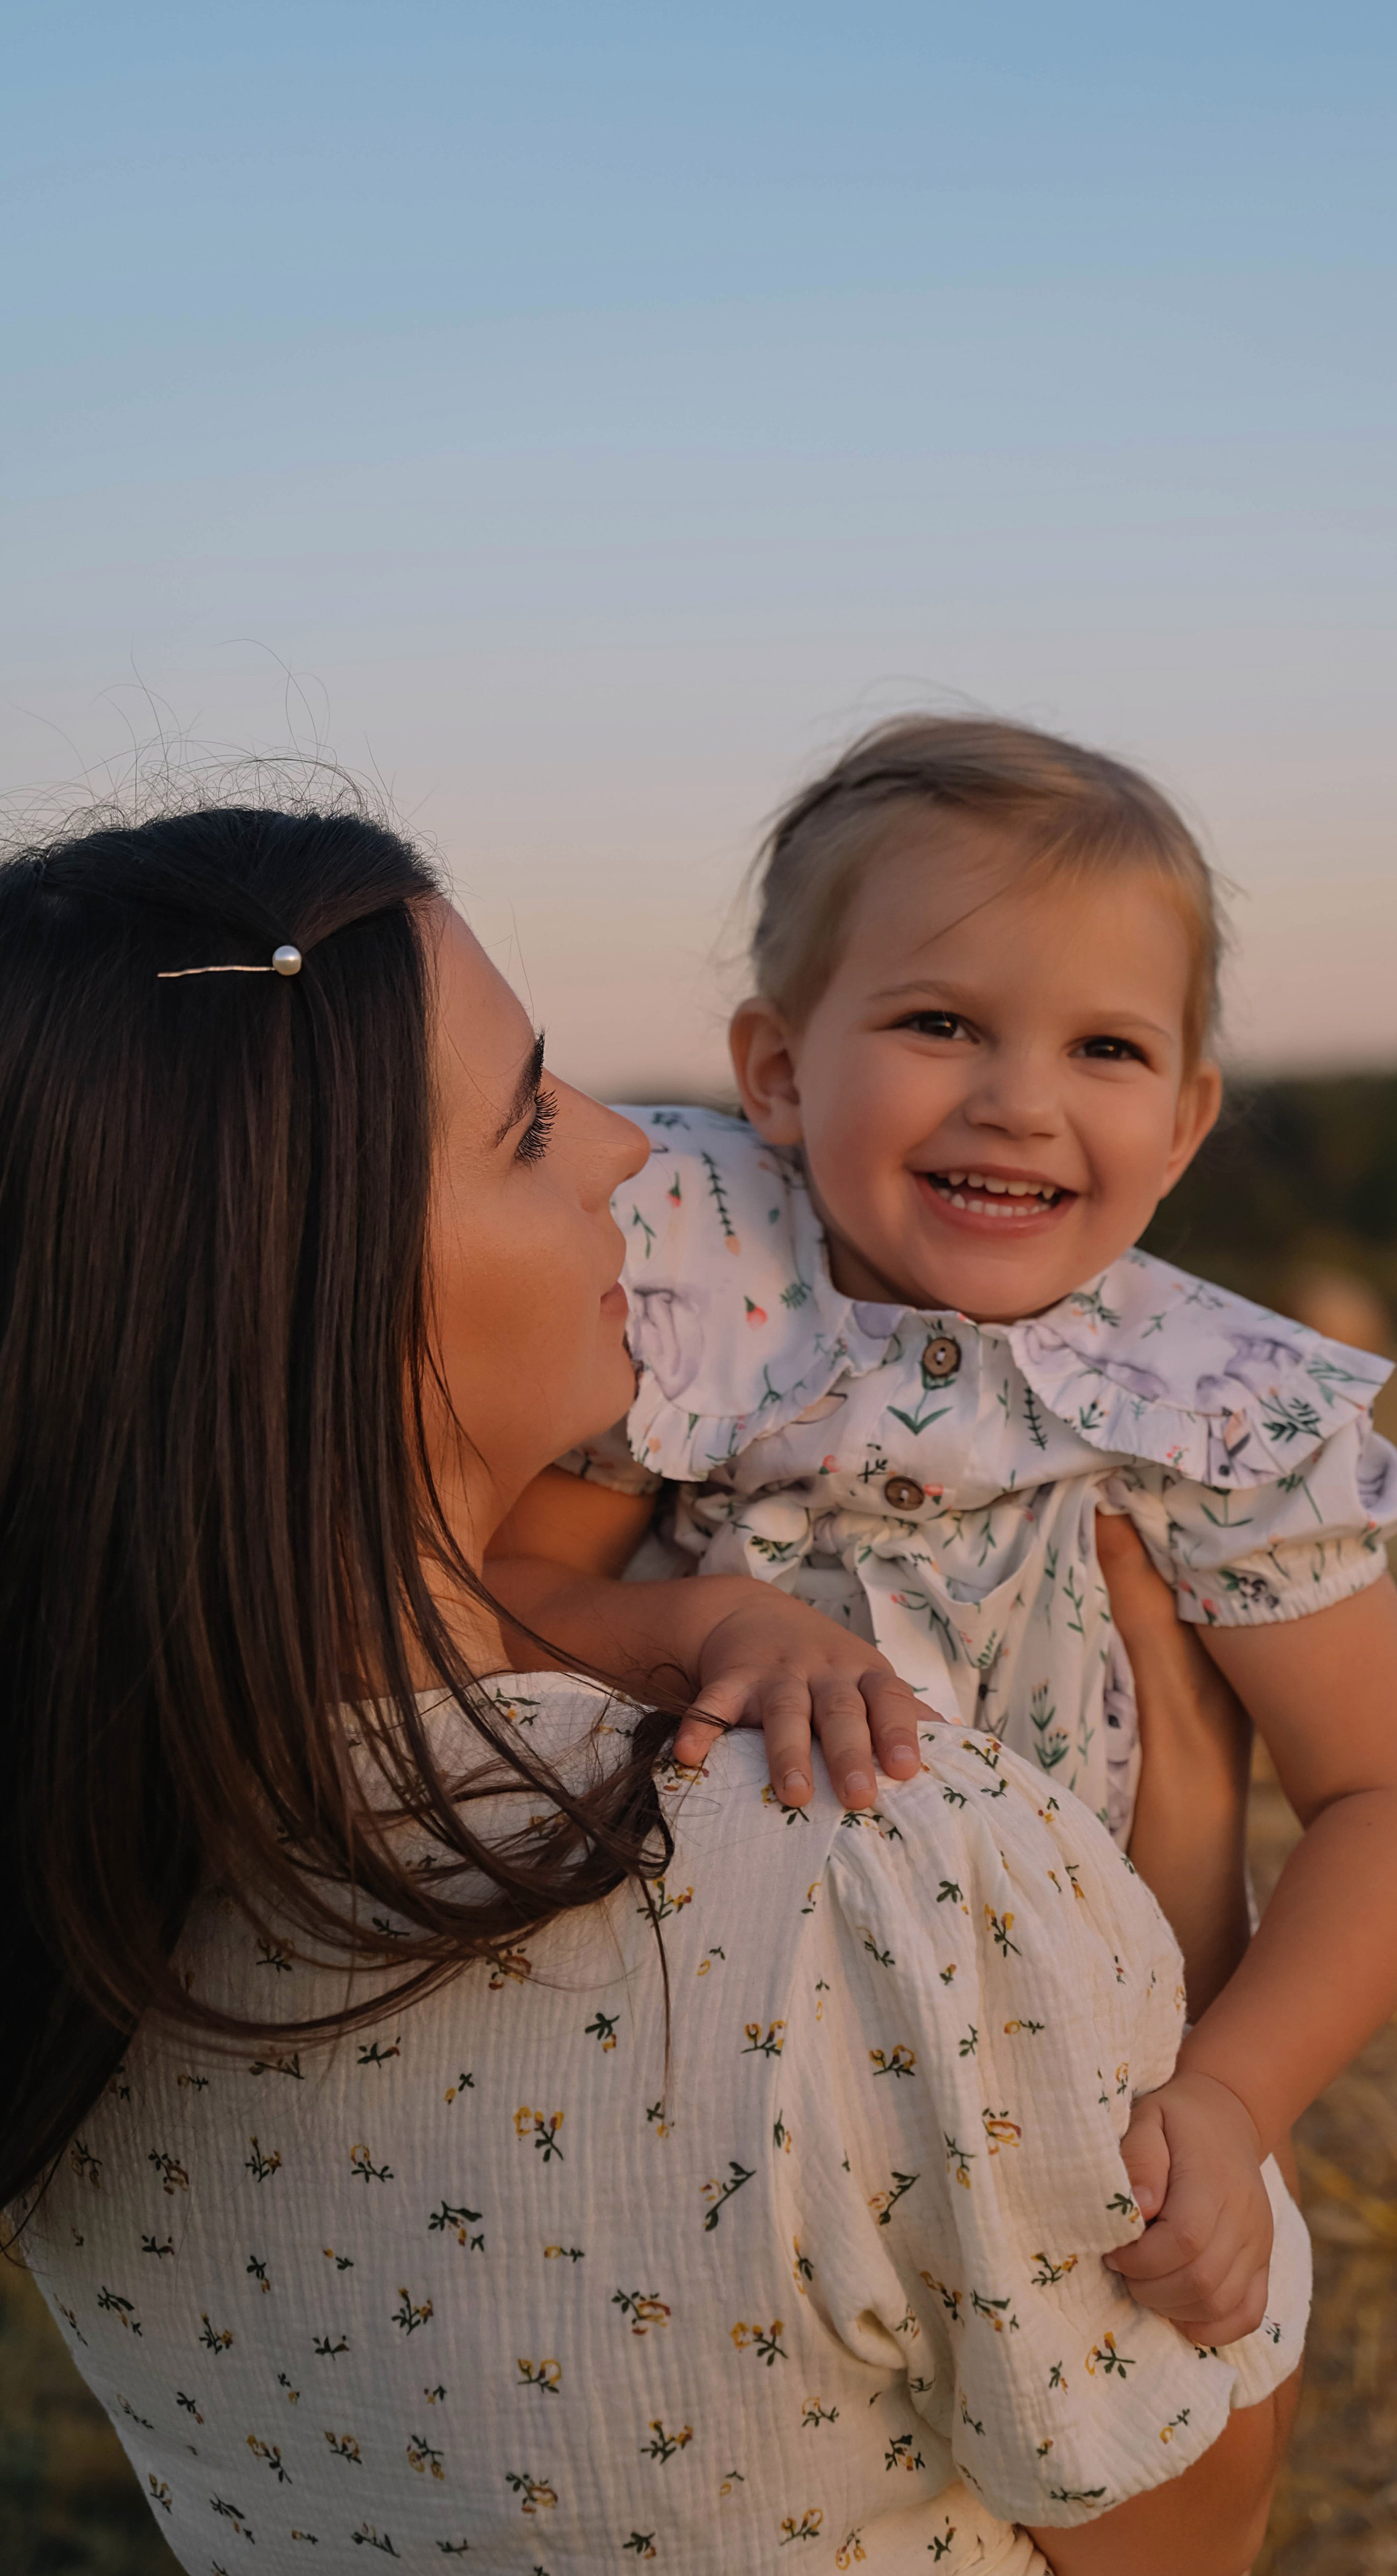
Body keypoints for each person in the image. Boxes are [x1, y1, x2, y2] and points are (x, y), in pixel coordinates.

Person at [2, 797, 1307, 2575]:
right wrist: (1182, 1883)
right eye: (530, 1125)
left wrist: (675, 1615)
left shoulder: (69, 1881)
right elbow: (1183, 2529)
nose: (625, 1147)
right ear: (318, 1275)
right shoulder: (874, 1862)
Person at [498, 714, 1397, 2334]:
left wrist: (1231, 2104)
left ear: (1183, 1118)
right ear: (775, 1071)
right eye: (942, 1022)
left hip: (1074, 2097)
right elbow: (497, 1608)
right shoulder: (701, 1302)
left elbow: (1390, 1798)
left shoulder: (1211, 1410)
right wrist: (698, 1625)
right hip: (673, 2062)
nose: (1021, 1102)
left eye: (1105, 1050)